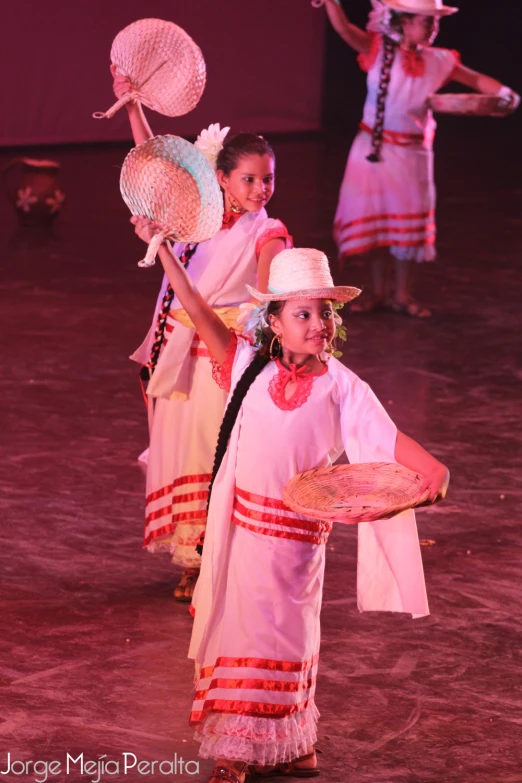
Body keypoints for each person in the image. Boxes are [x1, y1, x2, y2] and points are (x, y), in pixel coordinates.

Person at [130, 215, 450, 782]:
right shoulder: (246, 363)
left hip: (299, 543)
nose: (318, 323)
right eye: (302, 313)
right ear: (272, 320)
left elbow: (387, 439)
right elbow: (200, 310)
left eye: (325, 312)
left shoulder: (342, 386)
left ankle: (292, 742)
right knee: (243, 632)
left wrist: (431, 470)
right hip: (243, 533)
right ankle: (237, 750)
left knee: (291, 637)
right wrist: (165, 253)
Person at [112, 70, 292, 601]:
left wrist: (255, 345)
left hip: (223, 359)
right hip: (178, 351)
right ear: (221, 178)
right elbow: (152, 161)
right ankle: (193, 561)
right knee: (186, 451)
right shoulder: (195, 215)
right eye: (250, 180)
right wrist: (130, 104)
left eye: (268, 179)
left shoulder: (268, 232)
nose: (261, 190)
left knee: (217, 453)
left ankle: (219, 561)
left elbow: (265, 301)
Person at [324, 0, 519, 317]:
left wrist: (507, 95)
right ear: (403, 23)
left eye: (434, 22)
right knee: (380, 229)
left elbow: (478, 81)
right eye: (426, 21)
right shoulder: (378, 50)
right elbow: (345, 29)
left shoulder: (440, 60)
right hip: (374, 152)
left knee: (409, 230)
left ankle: (402, 295)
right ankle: (377, 293)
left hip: (413, 155)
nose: (433, 27)